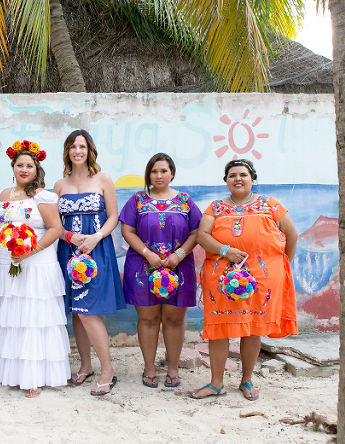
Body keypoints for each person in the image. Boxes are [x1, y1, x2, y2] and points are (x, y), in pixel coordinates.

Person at [191, 159, 298, 401]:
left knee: (252, 329)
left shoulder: (270, 205)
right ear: (226, 180)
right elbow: (202, 235)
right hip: (221, 279)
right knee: (219, 329)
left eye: (243, 174)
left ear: (252, 178)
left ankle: (246, 381)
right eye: (232, 175)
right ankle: (216, 383)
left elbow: (291, 236)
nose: (238, 178)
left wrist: (280, 267)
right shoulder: (215, 208)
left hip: (260, 281)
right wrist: (225, 251)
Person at [0, 141, 70, 398]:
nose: (24, 169)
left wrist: (29, 251)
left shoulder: (42, 196)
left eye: (29, 165)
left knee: (33, 319)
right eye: (19, 165)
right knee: (11, 318)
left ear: (36, 169)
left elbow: (55, 229)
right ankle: (10, 371)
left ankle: (35, 377)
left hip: (36, 263)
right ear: (13, 167)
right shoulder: (2, 195)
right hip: (6, 262)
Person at [119, 153, 201, 389]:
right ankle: (149, 367)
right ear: (149, 175)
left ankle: (173, 367)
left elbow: (197, 232)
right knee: (148, 318)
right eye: (154, 171)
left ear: (172, 173)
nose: (158, 175)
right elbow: (128, 231)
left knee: (175, 319)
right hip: (143, 267)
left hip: (179, 267)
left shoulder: (185, 201)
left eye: (163, 171)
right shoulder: (137, 200)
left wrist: (179, 255)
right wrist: (148, 254)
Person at [54, 130, 126, 396]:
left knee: (88, 309)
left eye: (82, 146)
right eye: (73, 146)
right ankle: (86, 366)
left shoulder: (103, 179)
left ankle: (107, 369)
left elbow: (113, 216)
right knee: (76, 308)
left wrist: (96, 237)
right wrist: (71, 237)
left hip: (96, 249)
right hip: (68, 250)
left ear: (89, 150)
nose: (77, 151)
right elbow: (54, 225)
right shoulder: (60, 186)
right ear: (67, 152)